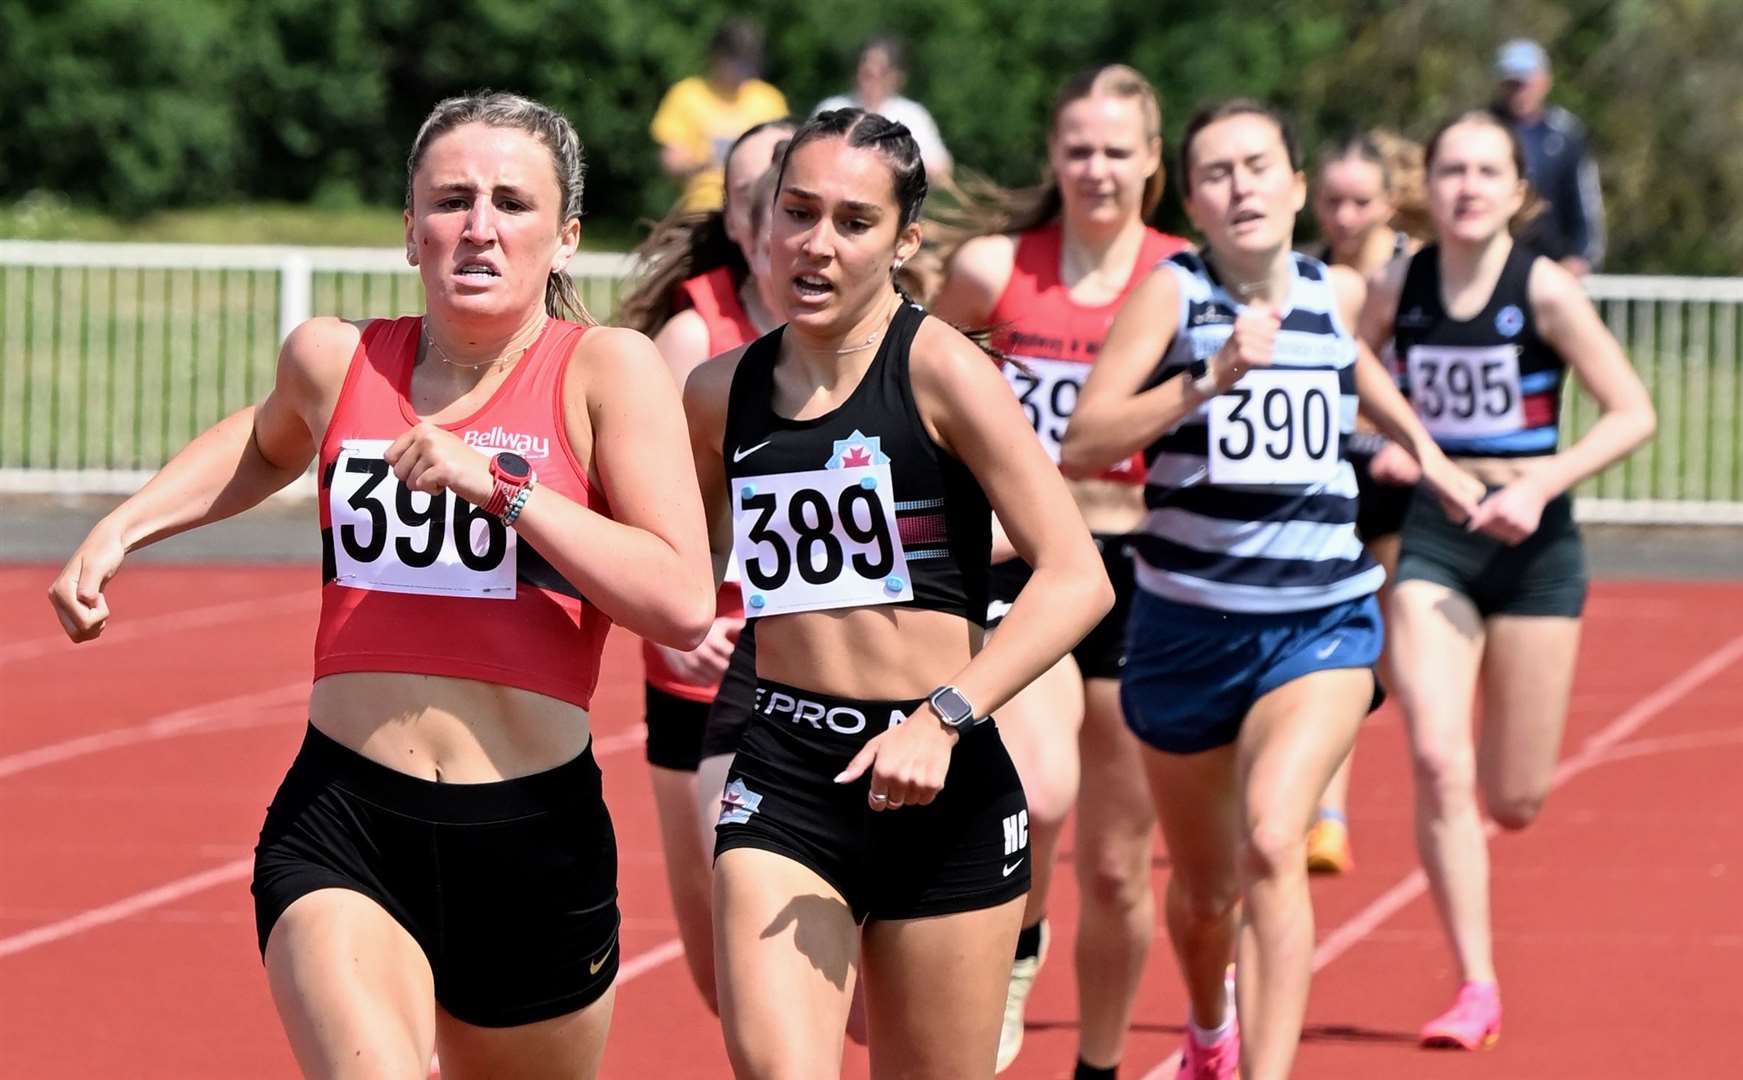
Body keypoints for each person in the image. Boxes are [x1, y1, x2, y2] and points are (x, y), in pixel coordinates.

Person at [46, 92, 715, 1079]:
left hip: (531, 840)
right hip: (346, 822)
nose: (478, 227)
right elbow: (267, 436)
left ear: (565, 238)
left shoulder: (604, 372)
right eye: (450, 200)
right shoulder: (338, 357)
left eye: (511, 203)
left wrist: (503, 487)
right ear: (411, 229)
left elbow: (678, 597)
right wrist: (121, 528)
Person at [1060, 99, 1484, 1080]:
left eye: (1260, 166)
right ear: (1194, 201)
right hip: (1184, 629)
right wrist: (1208, 379)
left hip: (1319, 622)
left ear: (1297, 187)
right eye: (1218, 172)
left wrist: (1431, 455)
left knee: (1272, 837)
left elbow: (1363, 375)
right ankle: (1210, 1019)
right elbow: (1084, 443)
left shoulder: (1333, 292)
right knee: (1206, 895)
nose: (1242, 186)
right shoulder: (1173, 295)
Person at [685, 107, 1113, 1078]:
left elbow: (1076, 576)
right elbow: (675, 558)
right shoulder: (718, 394)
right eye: (797, 213)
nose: (816, 244)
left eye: (853, 222)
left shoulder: (943, 372)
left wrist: (945, 715)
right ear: (761, 221)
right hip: (787, 771)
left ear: (904, 240)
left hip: (942, 779)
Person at [1360, 108, 1654, 1052]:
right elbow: (1350, 365)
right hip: (1435, 545)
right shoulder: (1397, 283)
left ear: (1517, 191)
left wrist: (1539, 484)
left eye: (1488, 171)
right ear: (1429, 184)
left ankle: (1502, 806)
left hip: (1534, 548)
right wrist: (1394, 442)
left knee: (1512, 801)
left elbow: (1631, 412)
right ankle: (1475, 984)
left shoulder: (1547, 293)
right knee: (1437, 759)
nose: (1467, 187)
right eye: (1451, 169)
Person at [930, 63, 1188, 1077]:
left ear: (1152, 164)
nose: (1096, 168)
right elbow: (915, 370)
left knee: (1122, 869)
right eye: (1078, 147)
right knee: (1037, 798)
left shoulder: (1179, 276)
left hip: (1145, 570)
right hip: (1019, 564)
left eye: (1118, 150)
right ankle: (1016, 961)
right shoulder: (995, 271)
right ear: (1054, 155)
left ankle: (1100, 1062)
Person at [615, 117, 795, 1013]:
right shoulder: (692, 342)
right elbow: (625, 509)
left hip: (820, 672)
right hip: (698, 669)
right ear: (740, 222)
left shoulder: (887, 338)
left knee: (807, 976)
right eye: (761, 198)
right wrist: (668, 614)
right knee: (724, 978)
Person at [1301, 129, 1431, 875]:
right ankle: (1326, 815)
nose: (1344, 216)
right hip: (1323, 488)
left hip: (1395, 490)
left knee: (1381, 650)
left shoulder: (1413, 276)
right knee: (1329, 648)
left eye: (1358, 202)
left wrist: (1399, 443)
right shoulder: (1303, 275)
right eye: (1331, 201)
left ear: (1389, 203)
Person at [651, 19, 789, 212]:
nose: (743, 71)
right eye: (737, 62)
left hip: (754, 213)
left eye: (749, 63)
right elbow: (670, 162)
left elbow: (785, 160)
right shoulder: (687, 95)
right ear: (717, 57)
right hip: (701, 211)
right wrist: (702, 162)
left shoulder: (770, 100)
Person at [1492, 38, 1605, 274]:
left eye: (1525, 83)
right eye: (1512, 84)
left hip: (1553, 263)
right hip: (1495, 261)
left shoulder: (1565, 134)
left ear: (1544, 82)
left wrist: (1581, 257)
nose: (1519, 92)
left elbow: (1585, 199)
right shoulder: (1483, 128)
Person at [815, 36, 953, 182]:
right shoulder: (832, 108)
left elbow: (941, 169)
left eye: (881, 72)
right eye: (867, 71)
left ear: (896, 77)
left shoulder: (914, 116)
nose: (872, 77)